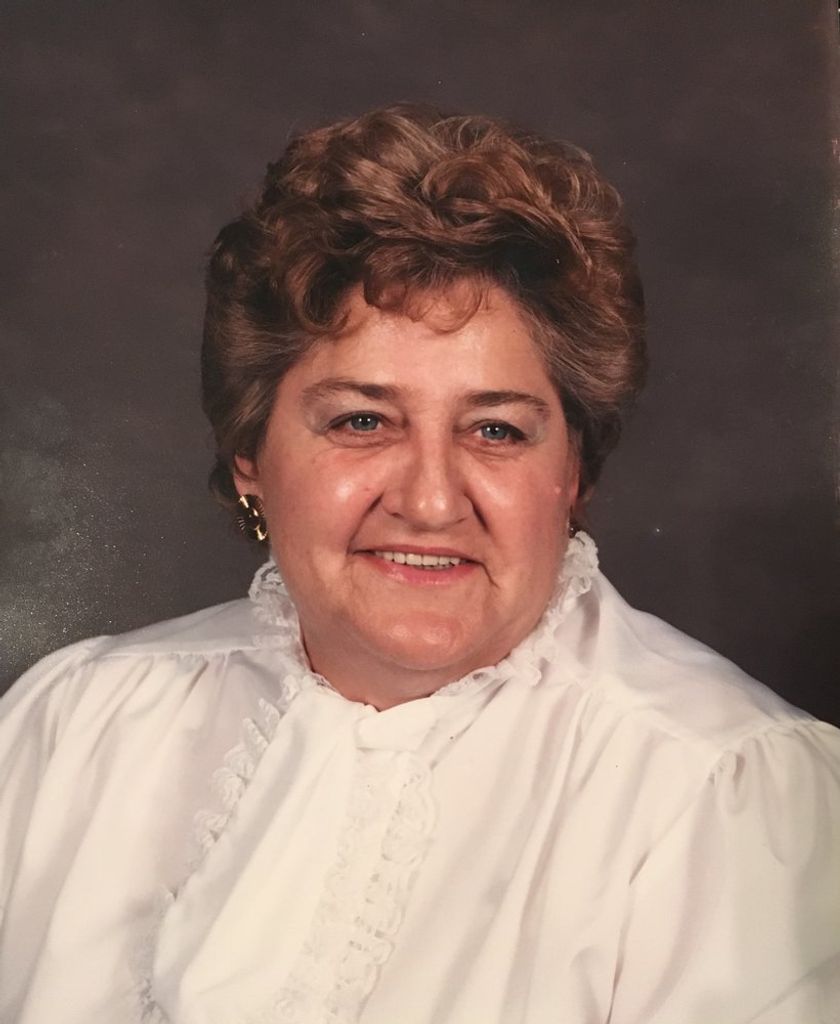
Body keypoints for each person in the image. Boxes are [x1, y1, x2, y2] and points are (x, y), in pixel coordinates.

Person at [0, 104, 838, 1024]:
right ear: (249, 456)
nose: (432, 501)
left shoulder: (721, 791)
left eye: (496, 430)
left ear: (573, 473)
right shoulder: (73, 728)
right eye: (363, 420)